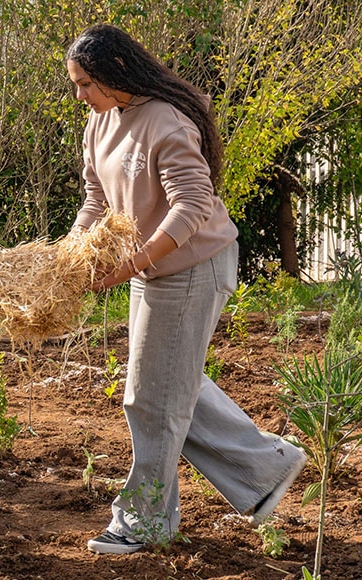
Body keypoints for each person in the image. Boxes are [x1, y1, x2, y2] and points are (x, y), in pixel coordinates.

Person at [65, 24, 307, 555]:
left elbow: (192, 205)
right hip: (150, 268)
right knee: (169, 382)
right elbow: (94, 196)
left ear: (115, 73)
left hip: (193, 266)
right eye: (76, 84)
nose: (80, 94)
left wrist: (134, 263)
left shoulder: (166, 120)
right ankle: (265, 466)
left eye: (85, 83)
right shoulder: (99, 120)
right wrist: (70, 252)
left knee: (151, 397)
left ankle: (144, 521)